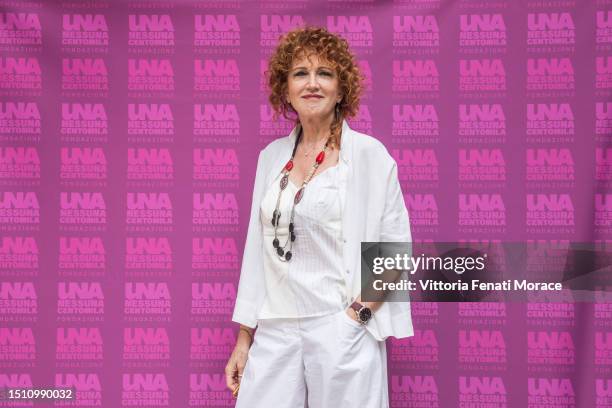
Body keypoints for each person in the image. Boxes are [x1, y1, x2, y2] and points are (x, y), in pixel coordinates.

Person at [225, 26, 413, 408]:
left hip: (339, 324)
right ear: (286, 89)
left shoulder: (369, 157)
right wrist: (245, 338)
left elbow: (394, 252)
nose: (312, 84)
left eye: (324, 73)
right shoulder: (271, 157)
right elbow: (256, 253)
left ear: (341, 89)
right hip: (276, 327)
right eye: (300, 74)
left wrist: (355, 317)